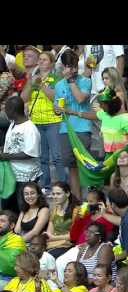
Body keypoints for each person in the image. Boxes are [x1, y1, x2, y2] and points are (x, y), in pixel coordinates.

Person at [20, 51, 65, 190]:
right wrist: (30, 82)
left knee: (57, 156)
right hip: (36, 122)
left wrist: (41, 85)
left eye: (44, 60)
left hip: (53, 121)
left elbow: (55, 97)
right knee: (43, 158)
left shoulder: (56, 79)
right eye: (39, 59)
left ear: (51, 64)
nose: (41, 62)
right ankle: (45, 186)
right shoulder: (34, 78)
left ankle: (63, 186)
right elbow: (23, 98)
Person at [53, 49, 92, 200]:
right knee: (72, 168)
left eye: (73, 66)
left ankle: (89, 199)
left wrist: (70, 80)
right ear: (63, 67)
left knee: (84, 167)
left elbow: (81, 98)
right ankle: (76, 201)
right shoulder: (58, 85)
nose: (72, 69)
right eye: (68, 66)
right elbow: (57, 107)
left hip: (82, 128)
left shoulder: (85, 81)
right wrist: (56, 109)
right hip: (65, 129)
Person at [64, 86, 128, 157]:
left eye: (101, 104)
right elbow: (90, 115)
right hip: (109, 156)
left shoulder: (125, 118)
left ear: (110, 104)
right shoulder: (104, 114)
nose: (100, 106)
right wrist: (71, 112)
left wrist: (127, 154)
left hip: (123, 156)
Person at [0, 96, 41, 213]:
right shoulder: (13, 124)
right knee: (8, 207)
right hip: (11, 174)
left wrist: (6, 156)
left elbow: (31, 153)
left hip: (25, 175)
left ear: (12, 111)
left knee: (22, 208)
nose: (4, 111)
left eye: (6, 109)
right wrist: (4, 150)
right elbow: (12, 144)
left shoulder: (30, 129)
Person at [44, 182, 80, 258]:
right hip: (53, 243)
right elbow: (49, 232)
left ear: (67, 194)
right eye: (53, 194)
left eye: (58, 194)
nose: (55, 197)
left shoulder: (76, 211)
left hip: (68, 245)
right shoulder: (55, 209)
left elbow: (74, 235)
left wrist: (53, 238)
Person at [0, 210, 26, 290]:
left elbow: (10, 265)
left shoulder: (17, 240)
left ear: (12, 225)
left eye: (2, 221)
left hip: (7, 279)